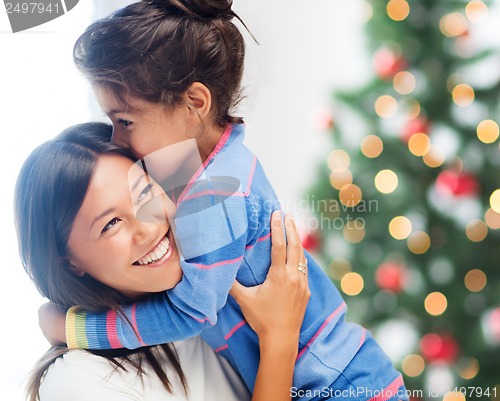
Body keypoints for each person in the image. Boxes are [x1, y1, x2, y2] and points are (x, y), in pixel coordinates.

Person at [40, 1, 409, 400]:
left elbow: (189, 312)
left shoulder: (216, 192)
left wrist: (76, 328)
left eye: (125, 121)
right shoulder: (208, 158)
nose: (116, 139)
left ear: (195, 104)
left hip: (339, 385)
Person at [15, 122, 310, 401]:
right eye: (111, 223)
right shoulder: (77, 382)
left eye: (144, 193)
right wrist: (279, 337)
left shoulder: (204, 285)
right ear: (69, 263)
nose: (148, 227)